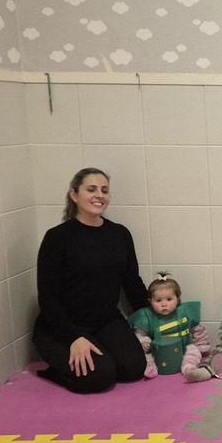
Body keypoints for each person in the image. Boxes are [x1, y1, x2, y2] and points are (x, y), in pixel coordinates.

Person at [32, 167, 149, 393]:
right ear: (74, 195)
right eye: (91, 189)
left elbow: (132, 283)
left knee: (133, 368)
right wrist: (73, 337)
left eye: (104, 190)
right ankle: (55, 371)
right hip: (61, 327)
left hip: (106, 321)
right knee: (100, 377)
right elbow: (48, 297)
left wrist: (158, 319)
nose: (99, 195)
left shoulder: (120, 234)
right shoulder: (57, 237)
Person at [127, 272, 212, 381]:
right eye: (158, 300)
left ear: (177, 299)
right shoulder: (147, 316)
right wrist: (144, 342)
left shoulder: (184, 312)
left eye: (169, 299)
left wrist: (202, 344)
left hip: (184, 344)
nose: (164, 304)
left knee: (193, 352)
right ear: (150, 301)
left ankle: (189, 368)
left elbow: (197, 329)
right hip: (158, 350)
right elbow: (140, 333)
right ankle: (151, 367)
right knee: (147, 355)